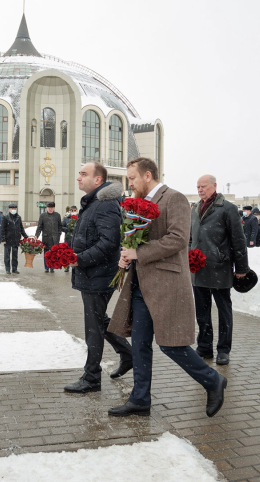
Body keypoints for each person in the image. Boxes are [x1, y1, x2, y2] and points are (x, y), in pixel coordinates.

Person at [108, 157, 227, 418]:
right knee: (139, 344)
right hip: (140, 286)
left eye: (132, 178)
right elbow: (134, 239)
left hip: (167, 284)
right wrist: (126, 256)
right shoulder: (139, 204)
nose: (129, 182)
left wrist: (139, 252)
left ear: (147, 175)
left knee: (171, 345)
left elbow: (178, 239)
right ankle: (140, 400)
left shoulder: (174, 199)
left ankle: (212, 380)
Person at [64, 163, 134, 394]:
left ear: (98, 180)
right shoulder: (93, 203)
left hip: (99, 275)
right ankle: (127, 354)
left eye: (83, 174)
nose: (78, 178)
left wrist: (80, 259)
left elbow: (109, 243)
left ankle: (92, 378)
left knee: (93, 328)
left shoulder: (104, 205)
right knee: (99, 321)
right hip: (92, 273)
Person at [190, 175, 249, 366]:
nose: (200, 190)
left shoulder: (228, 208)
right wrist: (188, 255)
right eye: (198, 187)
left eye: (204, 186)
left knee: (223, 310)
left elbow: (238, 240)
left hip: (219, 267)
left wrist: (241, 268)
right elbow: (191, 237)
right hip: (198, 268)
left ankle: (224, 349)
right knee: (202, 311)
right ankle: (204, 346)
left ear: (214, 186)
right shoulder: (195, 208)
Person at [1, 202, 27, 274]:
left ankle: (14, 269)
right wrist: (3, 239)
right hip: (8, 239)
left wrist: (25, 236)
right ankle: (7, 269)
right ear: (9, 209)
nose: (14, 210)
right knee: (7, 255)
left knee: (15, 255)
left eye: (15, 208)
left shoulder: (18, 218)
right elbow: (2, 229)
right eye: (12, 208)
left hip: (16, 239)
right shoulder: (5, 217)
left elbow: (21, 228)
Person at [35, 202, 62, 273]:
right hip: (46, 237)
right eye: (49, 208)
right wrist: (36, 235)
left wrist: (59, 234)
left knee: (53, 254)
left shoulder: (57, 215)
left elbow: (60, 226)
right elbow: (39, 227)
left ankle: (52, 267)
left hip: (55, 238)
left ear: (54, 208)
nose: (50, 209)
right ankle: (46, 267)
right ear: (46, 208)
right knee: (46, 253)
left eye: (52, 208)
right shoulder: (43, 215)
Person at [62, 206, 79, 272]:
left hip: (76, 239)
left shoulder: (80, 218)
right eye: (72, 210)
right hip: (68, 239)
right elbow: (61, 227)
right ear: (70, 211)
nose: (73, 211)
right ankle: (67, 266)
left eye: (75, 210)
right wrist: (68, 229)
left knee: (75, 253)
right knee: (67, 253)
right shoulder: (66, 219)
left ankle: (75, 266)